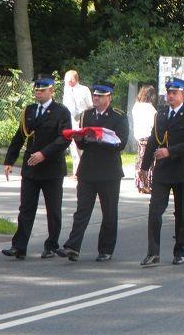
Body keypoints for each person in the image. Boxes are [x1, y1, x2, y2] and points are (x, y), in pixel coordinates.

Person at [57, 81, 129, 262]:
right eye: (95, 95)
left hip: (109, 171)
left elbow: (121, 143)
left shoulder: (119, 116)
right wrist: (79, 138)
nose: (95, 98)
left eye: (100, 96)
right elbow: (81, 143)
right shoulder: (87, 115)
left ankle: (106, 249)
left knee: (109, 212)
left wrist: (101, 138)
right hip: (88, 170)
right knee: (82, 210)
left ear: (109, 98)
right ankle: (72, 247)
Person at [2, 75, 72, 260]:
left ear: (51, 91)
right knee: (26, 208)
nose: (38, 93)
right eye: (36, 90)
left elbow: (65, 138)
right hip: (31, 168)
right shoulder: (30, 111)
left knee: (53, 210)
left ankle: (51, 245)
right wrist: (10, 160)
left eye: (42, 90)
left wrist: (44, 153)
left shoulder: (61, 112)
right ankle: (19, 247)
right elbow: (20, 136)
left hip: (52, 168)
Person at [139, 77, 184, 267]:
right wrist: (144, 166)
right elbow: (153, 141)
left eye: (175, 93)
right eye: (169, 93)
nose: (171, 96)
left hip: (183, 170)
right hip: (163, 171)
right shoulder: (161, 115)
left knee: (182, 213)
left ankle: (179, 250)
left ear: (183, 94)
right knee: (154, 211)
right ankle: (153, 253)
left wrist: (169, 151)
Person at [62, 70, 93, 175]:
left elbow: (89, 105)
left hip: (82, 120)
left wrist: (85, 118)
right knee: (73, 146)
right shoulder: (66, 90)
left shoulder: (84, 90)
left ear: (74, 79)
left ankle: (84, 169)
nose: (67, 82)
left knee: (82, 144)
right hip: (70, 121)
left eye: (69, 80)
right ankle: (76, 171)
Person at [132, 84, 158, 194]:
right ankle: (146, 184)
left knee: (140, 159)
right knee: (149, 160)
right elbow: (154, 123)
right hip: (148, 135)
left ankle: (139, 183)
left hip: (138, 135)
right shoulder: (150, 108)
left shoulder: (136, 106)